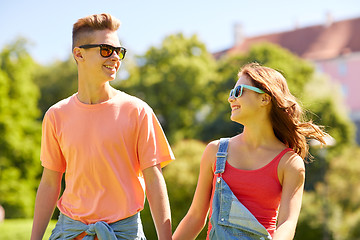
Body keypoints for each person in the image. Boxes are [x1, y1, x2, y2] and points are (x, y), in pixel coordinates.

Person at [30, 13, 174, 240]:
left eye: (119, 51)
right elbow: (49, 183)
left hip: (123, 234)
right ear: (79, 54)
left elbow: (154, 180)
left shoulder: (137, 111)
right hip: (70, 233)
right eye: (106, 50)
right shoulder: (56, 115)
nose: (115, 57)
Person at [173, 63, 328, 240]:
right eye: (231, 94)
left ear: (264, 98)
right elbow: (195, 217)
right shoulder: (214, 151)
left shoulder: (289, 163)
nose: (231, 99)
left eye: (238, 92)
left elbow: (287, 223)